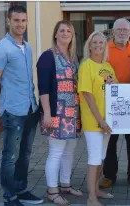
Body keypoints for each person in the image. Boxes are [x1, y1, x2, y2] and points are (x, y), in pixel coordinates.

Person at [0, 5, 43, 206]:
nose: (20, 24)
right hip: (13, 111)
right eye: (16, 20)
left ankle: (21, 189)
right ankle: (9, 196)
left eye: (23, 20)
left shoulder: (27, 48)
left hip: (30, 108)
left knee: (26, 154)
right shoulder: (1, 49)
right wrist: (1, 102)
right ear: (8, 21)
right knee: (10, 155)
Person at [99, 18, 130, 189]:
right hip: (111, 102)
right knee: (111, 141)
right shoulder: (104, 48)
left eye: (125, 30)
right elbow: (98, 70)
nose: (122, 33)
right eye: (119, 30)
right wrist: (106, 79)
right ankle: (109, 175)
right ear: (113, 31)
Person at [36, 20, 83, 205]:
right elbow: (44, 88)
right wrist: (47, 112)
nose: (65, 33)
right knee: (56, 151)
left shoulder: (73, 57)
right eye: (61, 30)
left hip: (73, 113)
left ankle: (65, 185)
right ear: (55, 34)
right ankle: (52, 190)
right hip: (56, 113)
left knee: (69, 151)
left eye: (68, 31)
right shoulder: (48, 56)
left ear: (72, 36)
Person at [78, 31, 117, 206]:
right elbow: (87, 95)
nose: (98, 46)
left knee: (101, 156)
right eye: (95, 43)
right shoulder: (86, 65)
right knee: (94, 158)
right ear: (89, 45)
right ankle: (91, 198)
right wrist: (99, 120)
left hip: (108, 120)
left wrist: (113, 84)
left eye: (101, 43)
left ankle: (96, 190)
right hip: (94, 120)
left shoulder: (108, 66)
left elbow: (115, 88)